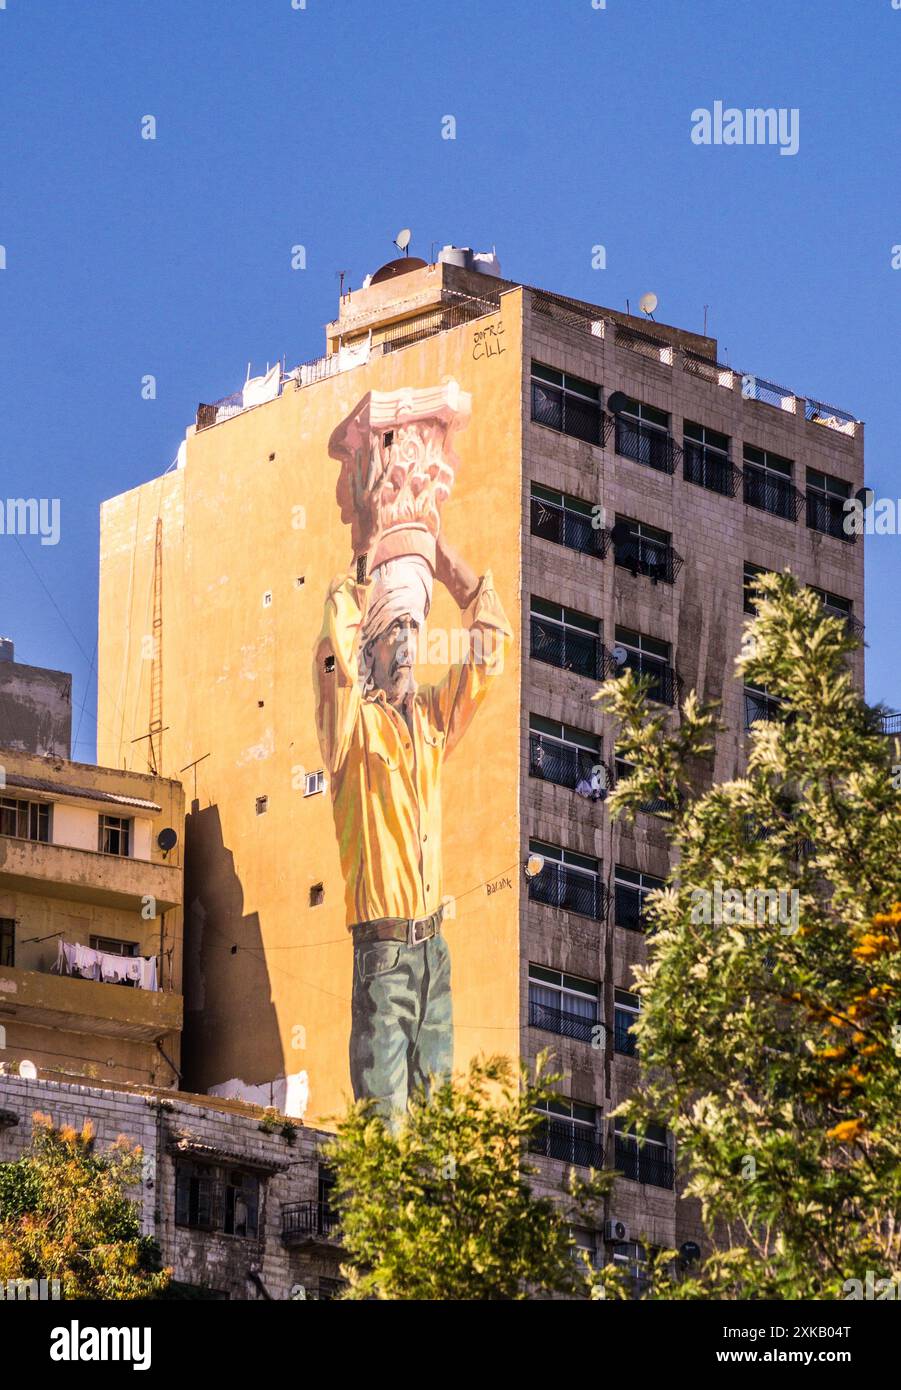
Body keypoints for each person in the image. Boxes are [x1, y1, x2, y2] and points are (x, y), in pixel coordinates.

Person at [313, 532, 511, 1118]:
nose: (406, 645)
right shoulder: (350, 730)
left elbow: (488, 657)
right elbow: (333, 665)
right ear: (370, 646)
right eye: (393, 632)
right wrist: (357, 574)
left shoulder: (429, 721)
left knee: (438, 1123)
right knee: (386, 1126)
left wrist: (459, 576)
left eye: (414, 631)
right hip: (383, 956)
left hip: (433, 951)